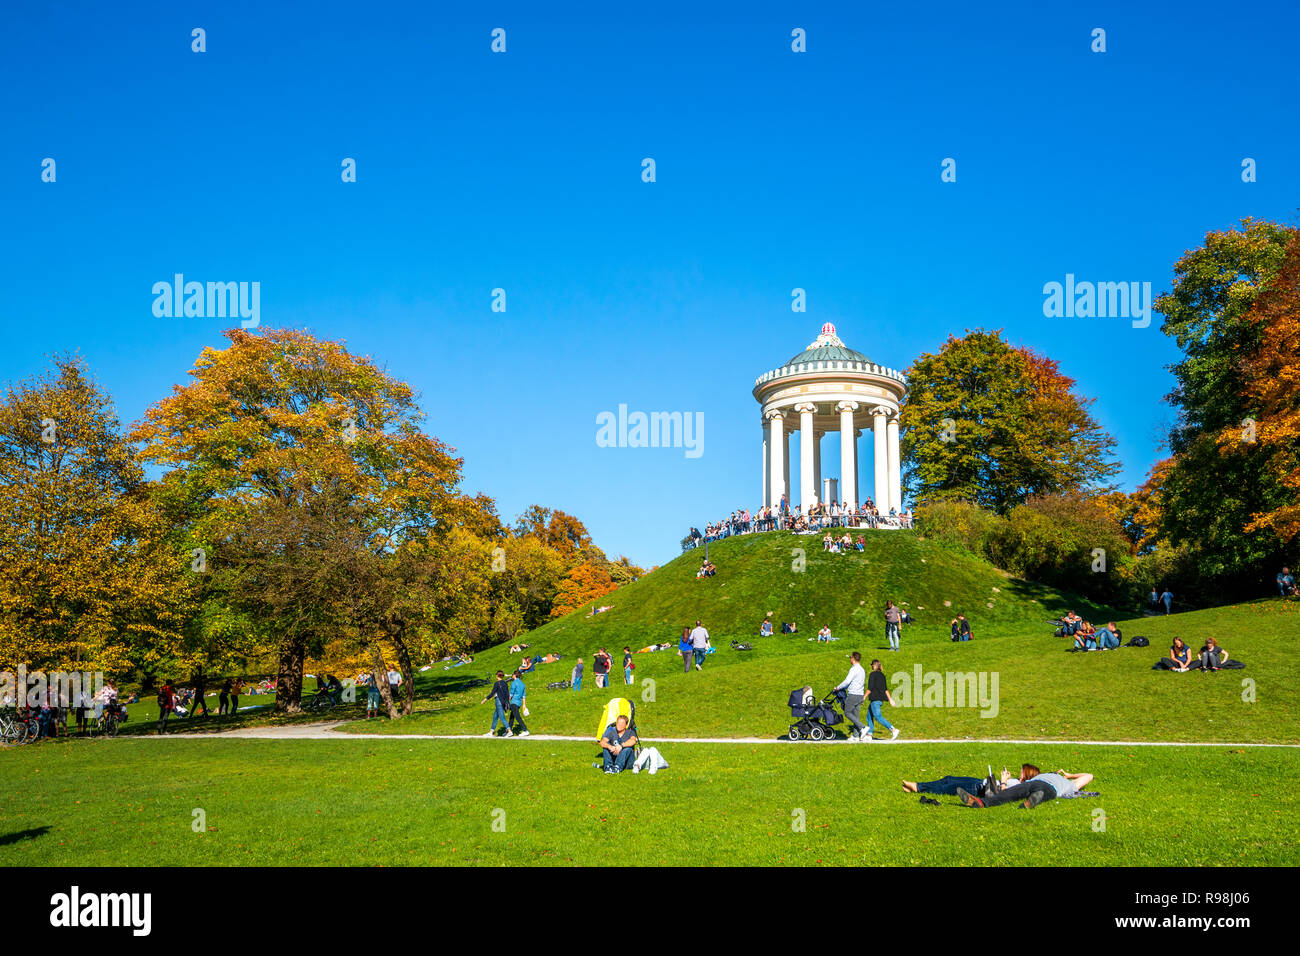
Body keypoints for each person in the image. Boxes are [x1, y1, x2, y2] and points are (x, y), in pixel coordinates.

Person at [959, 764, 1094, 809]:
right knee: (1012, 793)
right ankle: (1032, 800)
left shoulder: (1069, 784)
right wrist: (1069, 777)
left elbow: (1089, 775)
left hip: (1041, 786)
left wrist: (1069, 775)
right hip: (1043, 786)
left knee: (1012, 794)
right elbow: (1089, 776)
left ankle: (982, 803)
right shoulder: (1069, 785)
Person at [834, 651, 868, 741]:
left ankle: (863, 727)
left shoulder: (853, 669)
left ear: (853, 658)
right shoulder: (862, 669)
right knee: (856, 716)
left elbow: (847, 681)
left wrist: (838, 687)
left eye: (850, 657)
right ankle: (856, 736)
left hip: (853, 694)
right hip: (860, 695)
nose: (850, 659)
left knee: (847, 712)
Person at [864, 659, 899, 741]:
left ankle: (893, 729)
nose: (871, 666)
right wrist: (890, 700)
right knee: (869, 716)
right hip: (879, 700)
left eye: (872, 665)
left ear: (875, 665)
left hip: (875, 699)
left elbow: (870, 688)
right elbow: (885, 689)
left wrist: (864, 697)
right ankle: (869, 734)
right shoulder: (882, 675)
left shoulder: (872, 675)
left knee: (878, 717)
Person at [482, 670, 512, 737]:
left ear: (497, 676)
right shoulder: (505, 683)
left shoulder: (497, 683)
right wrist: (507, 702)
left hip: (498, 701)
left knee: (502, 717)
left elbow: (492, 693)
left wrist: (485, 699)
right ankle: (491, 732)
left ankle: (509, 730)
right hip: (503, 701)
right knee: (495, 716)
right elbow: (507, 694)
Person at [507, 670, 529, 737]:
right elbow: (524, 696)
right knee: (512, 717)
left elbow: (511, 694)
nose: (512, 676)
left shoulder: (514, 683)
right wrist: (524, 705)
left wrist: (507, 701)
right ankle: (509, 731)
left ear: (515, 675)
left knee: (517, 717)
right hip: (519, 703)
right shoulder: (522, 684)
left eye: (513, 674)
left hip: (514, 702)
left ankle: (525, 730)